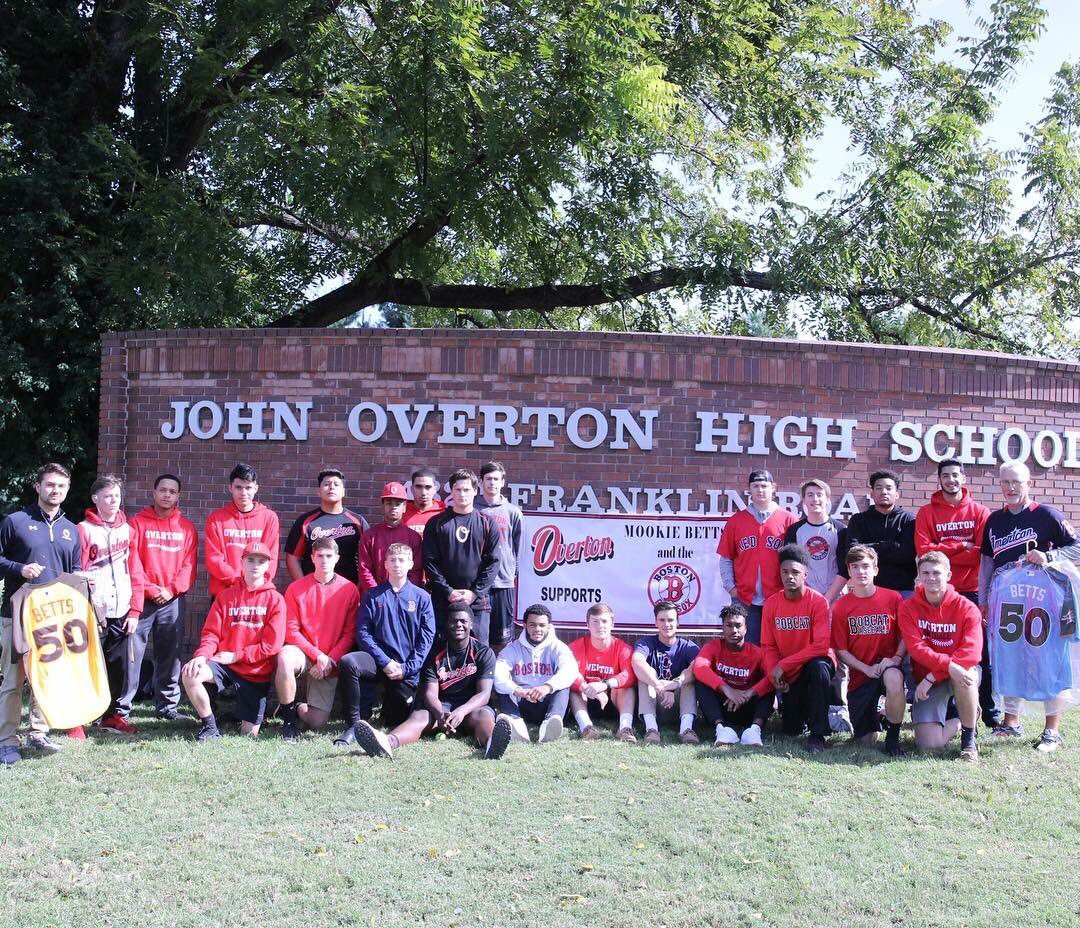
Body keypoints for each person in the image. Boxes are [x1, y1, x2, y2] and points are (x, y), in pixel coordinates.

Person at [979, 461, 1080, 751]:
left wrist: (1049, 556)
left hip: (1044, 601)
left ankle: (1052, 731)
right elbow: (986, 562)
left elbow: (1077, 547)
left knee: (1049, 660)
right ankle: (1011, 723)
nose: (1011, 487)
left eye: (1017, 482)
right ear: (1000, 485)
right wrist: (984, 599)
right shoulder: (994, 520)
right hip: (1008, 600)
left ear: (1028, 484)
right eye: (1006, 482)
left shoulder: (1047, 514)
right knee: (1009, 657)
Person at [351, 607, 512, 760]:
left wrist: (462, 711)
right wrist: (440, 714)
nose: (458, 625)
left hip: (471, 708)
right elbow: (429, 693)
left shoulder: (483, 652)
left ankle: (492, 744)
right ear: (446, 624)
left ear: (471, 624)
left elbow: (483, 694)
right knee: (420, 716)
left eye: (463, 621)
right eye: (453, 621)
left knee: (483, 716)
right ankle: (387, 742)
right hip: (440, 707)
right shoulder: (434, 652)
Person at [0, 463, 81, 764]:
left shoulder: (71, 530)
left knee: (47, 677)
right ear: (37, 486)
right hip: (16, 614)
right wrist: (19, 568)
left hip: (54, 616)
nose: (54, 490)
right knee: (13, 680)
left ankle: (38, 733)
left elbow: (74, 573)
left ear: (67, 489)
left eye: (60, 486)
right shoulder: (15, 521)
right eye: (49, 484)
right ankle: (6, 740)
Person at [915, 458, 996, 727]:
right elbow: (925, 553)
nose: (951, 480)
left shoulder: (980, 512)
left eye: (955, 475)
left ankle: (988, 709)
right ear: (939, 480)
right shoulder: (927, 513)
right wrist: (962, 546)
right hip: (936, 593)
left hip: (970, 591)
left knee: (977, 652)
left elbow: (982, 554)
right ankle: (949, 707)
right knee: (940, 644)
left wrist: (944, 548)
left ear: (963, 479)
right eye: (945, 475)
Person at [182, 541, 286, 740]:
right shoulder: (226, 596)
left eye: (261, 561)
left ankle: (237, 714)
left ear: (267, 566)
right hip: (224, 665)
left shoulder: (275, 600)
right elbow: (211, 633)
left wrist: (236, 655)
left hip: (254, 672)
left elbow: (271, 646)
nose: (255, 565)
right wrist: (202, 656)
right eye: (250, 560)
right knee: (190, 673)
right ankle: (210, 727)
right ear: (242, 563)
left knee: (249, 734)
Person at [334, 543, 435, 747]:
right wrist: (385, 661)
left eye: (401, 560)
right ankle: (354, 725)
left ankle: (386, 714)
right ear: (385, 564)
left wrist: (407, 668)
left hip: (406, 669)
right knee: (348, 662)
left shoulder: (422, 597)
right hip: (378, 663)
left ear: (411, 564)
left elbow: (427, 637)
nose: (397, 564)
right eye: (392, 560)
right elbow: (363, 633)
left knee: (394, 719)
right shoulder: (372, 595)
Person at [78, 474, 145, 736]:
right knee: (87, 664)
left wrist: (136, 610)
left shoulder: (128, 530)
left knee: (118, 666)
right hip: (93, 610)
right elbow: (77, 570)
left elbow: (136, 571)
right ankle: (78, 719)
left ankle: (112, 716)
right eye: (107, 496)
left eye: (116, 496)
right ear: (95, 499)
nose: (113, 501)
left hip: (121, 609)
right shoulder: (83, 529)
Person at [899, 551, 982, 762]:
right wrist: (940, 671)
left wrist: (933, 676)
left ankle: (969, 740)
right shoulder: (908, 607)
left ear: (949, 575)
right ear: (918, 576)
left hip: (951, 674)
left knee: (967, 675)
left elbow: (971, 652)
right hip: (927, 675)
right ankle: (964, 716)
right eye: (925, 573)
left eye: (936, 572)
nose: (931, 578)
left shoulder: (967, 608)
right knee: (929, 746)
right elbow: (917, 649)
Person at [275, 537, 361, 740]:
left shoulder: (349, 590)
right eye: (320, 555)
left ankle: (294, 707)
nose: (324, 560)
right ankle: (288, 722)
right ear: (312, 558)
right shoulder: (296, 588)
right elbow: (290, 630)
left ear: (337, 558)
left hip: (330, 659)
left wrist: (329, 659)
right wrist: (317, 655)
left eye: (329, 556)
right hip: (304, 653)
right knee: (285, 657)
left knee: (317, 722)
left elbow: (350, 632)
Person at [128, 473, 198, 722]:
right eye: (163, 490)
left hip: (172, 599)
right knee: (132, 653)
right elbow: (132, 563)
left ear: (178, 496)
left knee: (170, 654)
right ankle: (121, 708)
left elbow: (189, 565)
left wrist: (171, 589)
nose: (167, 495)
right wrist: (149, 589)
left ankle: (167, 707)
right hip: (142, 598)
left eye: (172, 491)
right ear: (154, 492)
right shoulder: (137, 523)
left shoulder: (186, 528)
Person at [831, 545, 906, 756]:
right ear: (848, 571)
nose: (860, 572)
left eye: (865, 566)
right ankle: (882, 716)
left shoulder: (893, 598)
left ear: (875, 570)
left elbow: (906, 636)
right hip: (861, 676)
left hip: (887, 666)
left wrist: (895, 658)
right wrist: (865, 669)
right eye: (855, 567)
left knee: (893, 678)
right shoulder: (842, 607)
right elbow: (841, 650)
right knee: (866, 741)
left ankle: (893, 739)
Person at [760, 544, 835, 754]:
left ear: (805, 574)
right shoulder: (771, 604)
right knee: (791, 729)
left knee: (819, 667)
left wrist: (782, 665)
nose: (789, 576)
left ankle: (819, 734)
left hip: (813, 666)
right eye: (785, 572)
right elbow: (768, 645)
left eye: (795, 572)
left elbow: (821, 645)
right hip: (790, 673)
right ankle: (801, 714)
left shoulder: (818, 602)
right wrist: (774, 672)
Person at [716, 469, 797, 644]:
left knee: (779, 644)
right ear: (749, 490)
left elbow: (797, 561)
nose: (760, 490)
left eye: (764, 486)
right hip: (745, 598)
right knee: (749, 647)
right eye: (756, 486)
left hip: (778, 597)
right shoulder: (736, 521)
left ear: (773, 488)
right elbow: (726, 559)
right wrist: (731, 588)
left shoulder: (788, 519)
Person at [422, 468, 500, 644]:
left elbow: (493, 562)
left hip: (477, 604)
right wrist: (448, 591)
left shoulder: (487, 524)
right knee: (441, 654)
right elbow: (430, 562)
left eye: (466, 489)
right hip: (444, 601)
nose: (462, 494)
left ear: (475, 491)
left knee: (478, 654)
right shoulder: (436, 524)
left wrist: (475, 593)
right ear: (451, 491)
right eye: (457, 489)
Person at [493, 603, 578, 743]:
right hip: (522, 702)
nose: (537, 629)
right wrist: (517, 690)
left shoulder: (558, 647)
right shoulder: (512, 649)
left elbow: (570, 670)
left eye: (542, 625)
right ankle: (515, 724)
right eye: (532, 625)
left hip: (547, 701)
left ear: (549, 626)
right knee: (504, 688)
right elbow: (498, 674)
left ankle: (551, 723)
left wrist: (547, 687)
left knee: (563, 685)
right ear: (524, 625)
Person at [693, 603, 773, 747]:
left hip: (748, 706)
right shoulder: (713, 647)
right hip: (724, 707)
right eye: (729, 625)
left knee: (770, 683)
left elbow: (771, 676)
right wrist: (728, 690)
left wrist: (748, 694)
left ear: (746, 628)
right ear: (723, 627)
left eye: (738, 625)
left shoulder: (757, 653)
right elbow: (699, 667)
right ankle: (721, 729)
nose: (734, 630)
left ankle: (754, 730)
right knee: (700, 682)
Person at [204, 463, 279, 598]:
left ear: (256, 488)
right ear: (230, 488)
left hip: (256, 593)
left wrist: (255, 582)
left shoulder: (269, 518)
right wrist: (238, 581)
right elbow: (213, 558)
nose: (243, 493)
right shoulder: (216, 519)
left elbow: (271, 557)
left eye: (248, 488)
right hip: (224, 593)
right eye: (238, 487)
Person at [631, 600, 700, 745]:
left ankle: (686, 729)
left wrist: (673, 685)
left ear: (677, 622)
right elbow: (637, 661)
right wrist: (658, 684)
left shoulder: (688, 646)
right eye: (662, 620)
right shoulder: (646, 643)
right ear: (656, 622)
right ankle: (652, 729)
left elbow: (696, 668)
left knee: (689, 677)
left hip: (679, 705)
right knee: (645, 674)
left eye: (670, 620)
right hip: (654, 701)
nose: (666, 624)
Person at [284, 468, 369, 585]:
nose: (331, 487)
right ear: (319, 491)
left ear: (343, 491)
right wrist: (303, 586)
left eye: (336, 484)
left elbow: (368, 558)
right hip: (313, 591)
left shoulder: (358, 522)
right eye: (326, 484)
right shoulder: (305, 521)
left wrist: (359, 589)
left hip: (348, 591)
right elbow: (293, 558)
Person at [567, 603, 637, 742]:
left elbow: (629, 675)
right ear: (587, 625)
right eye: (595, 621)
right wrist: (586, 687)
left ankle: (625, 728)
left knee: (626, 688)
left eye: (604, 621)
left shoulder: (622, 648)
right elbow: (569, 672)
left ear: (612, 624)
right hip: (588, 698)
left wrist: (604, 685)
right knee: (575, 690)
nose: (600, 626)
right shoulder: (576, 646)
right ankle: (586, 727)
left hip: (613, 700)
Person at [843, 469, 917, 596]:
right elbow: (852, 552)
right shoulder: (858, 520)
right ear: (871, 493)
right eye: (879, 488)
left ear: (897, 494)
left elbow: (907, 554)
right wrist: (889, 545)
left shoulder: (909, 520)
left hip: (902, 590)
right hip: (867, 590)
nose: (884, 492)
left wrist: (867, 548)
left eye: (889, 488)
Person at [475, 461, 524, 650]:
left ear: (503, 482)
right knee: (478, 636)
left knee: (502, 639)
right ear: (481, 482)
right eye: (488, 479)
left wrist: (513, 573)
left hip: (503, 582)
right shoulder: (472, 508)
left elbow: (517, 546)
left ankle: (499, 678)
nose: (492, 483)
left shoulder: (513, 512)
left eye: (496, 479)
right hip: (478, 582)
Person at [784, 479, 847, 604]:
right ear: (804, 500)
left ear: (828, 499)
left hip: (835, 596)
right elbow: (790, 566)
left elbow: (844, 569)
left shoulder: (841, 530)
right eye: (810, 495)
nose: (815, 499)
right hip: (804, 597)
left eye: (819, 494)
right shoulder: (794, 530)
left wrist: (827, 599)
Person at [357, 481, 423, 593]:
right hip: (375, 597)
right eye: (389, 503)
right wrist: (377, 594)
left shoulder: (414, 537)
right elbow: (364, 570)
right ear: (383, 506)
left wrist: (404, 593)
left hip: (404, 597)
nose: (393, 507)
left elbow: (416, 571)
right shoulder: (369, 536)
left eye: (397, 504)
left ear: (404, 507)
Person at [403, 467, 446, 539]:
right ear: (411, 489)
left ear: (434, 489)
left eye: (428, 487)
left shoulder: (443, 513)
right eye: (418, 487)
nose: (423, 493)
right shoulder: (402, 512)